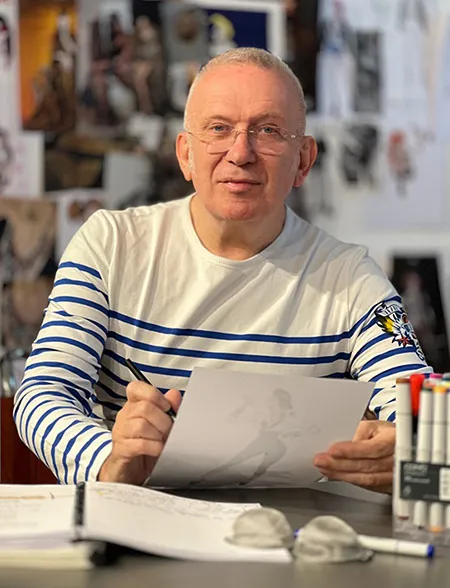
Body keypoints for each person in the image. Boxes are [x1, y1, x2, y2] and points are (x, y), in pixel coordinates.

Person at [13, 48, 430, 493]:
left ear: (304, 160)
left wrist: (413, 450)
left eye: (268, 130)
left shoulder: (350, 278)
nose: (240, 153)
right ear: (185, 154)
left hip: (292, 530)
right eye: (218, 129)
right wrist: (108, 460)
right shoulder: (111, 245)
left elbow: (418, 403)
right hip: (138, 517)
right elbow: (44, 393)